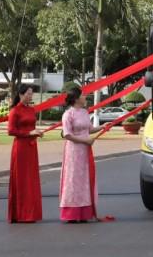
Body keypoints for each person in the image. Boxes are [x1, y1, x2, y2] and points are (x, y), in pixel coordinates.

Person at [59, 87, 103, 223]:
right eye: (83, 95)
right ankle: (72, 213)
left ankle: (84, 212)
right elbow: (67, 135)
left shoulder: (85, 112)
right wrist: (85, 140)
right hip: (73, 151)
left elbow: (90, 129)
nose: (86, 97)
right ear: (76, 98)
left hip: (85, 150)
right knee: (73, 180)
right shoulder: (68, 114)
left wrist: (103, 126)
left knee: (84, 180)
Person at [7, 85, 43, 223]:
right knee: (21, 179)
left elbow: (31, 128)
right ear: (21, 94)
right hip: (20, 147)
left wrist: (36, 132)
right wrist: (29, 133)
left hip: (31, 146)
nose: (30, 96)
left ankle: (31, 213)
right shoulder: (15, 110)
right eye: (28, 93)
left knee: (31, 179)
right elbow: (10, 131)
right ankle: (20, 213)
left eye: (31, 94)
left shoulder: (31, 110)